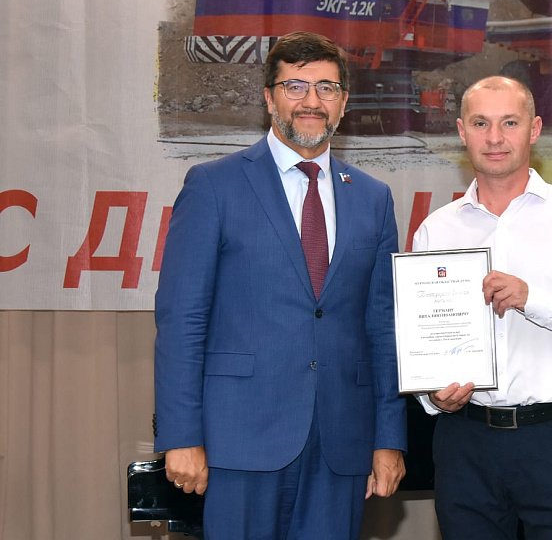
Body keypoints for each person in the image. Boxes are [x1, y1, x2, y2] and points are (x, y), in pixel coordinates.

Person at [154, 31, 407, 539]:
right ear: (269, 98)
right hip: (238, 441)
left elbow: (383, 328)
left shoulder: (373, 198)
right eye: (295, 86)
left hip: (341, 444)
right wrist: (181, 434)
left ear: (344, 103)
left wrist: (388, 438)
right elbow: (182, 320)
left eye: (326, 88)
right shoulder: (214, 185)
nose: (311, 101)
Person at [412, 76, 552, 539]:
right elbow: (421, 339)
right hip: (464, 440)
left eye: (510, 123)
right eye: (481, 123)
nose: (495, 138)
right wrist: (431, 396)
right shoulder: (436, 231)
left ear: (534, 129)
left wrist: (533, 299)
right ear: (461, 131)